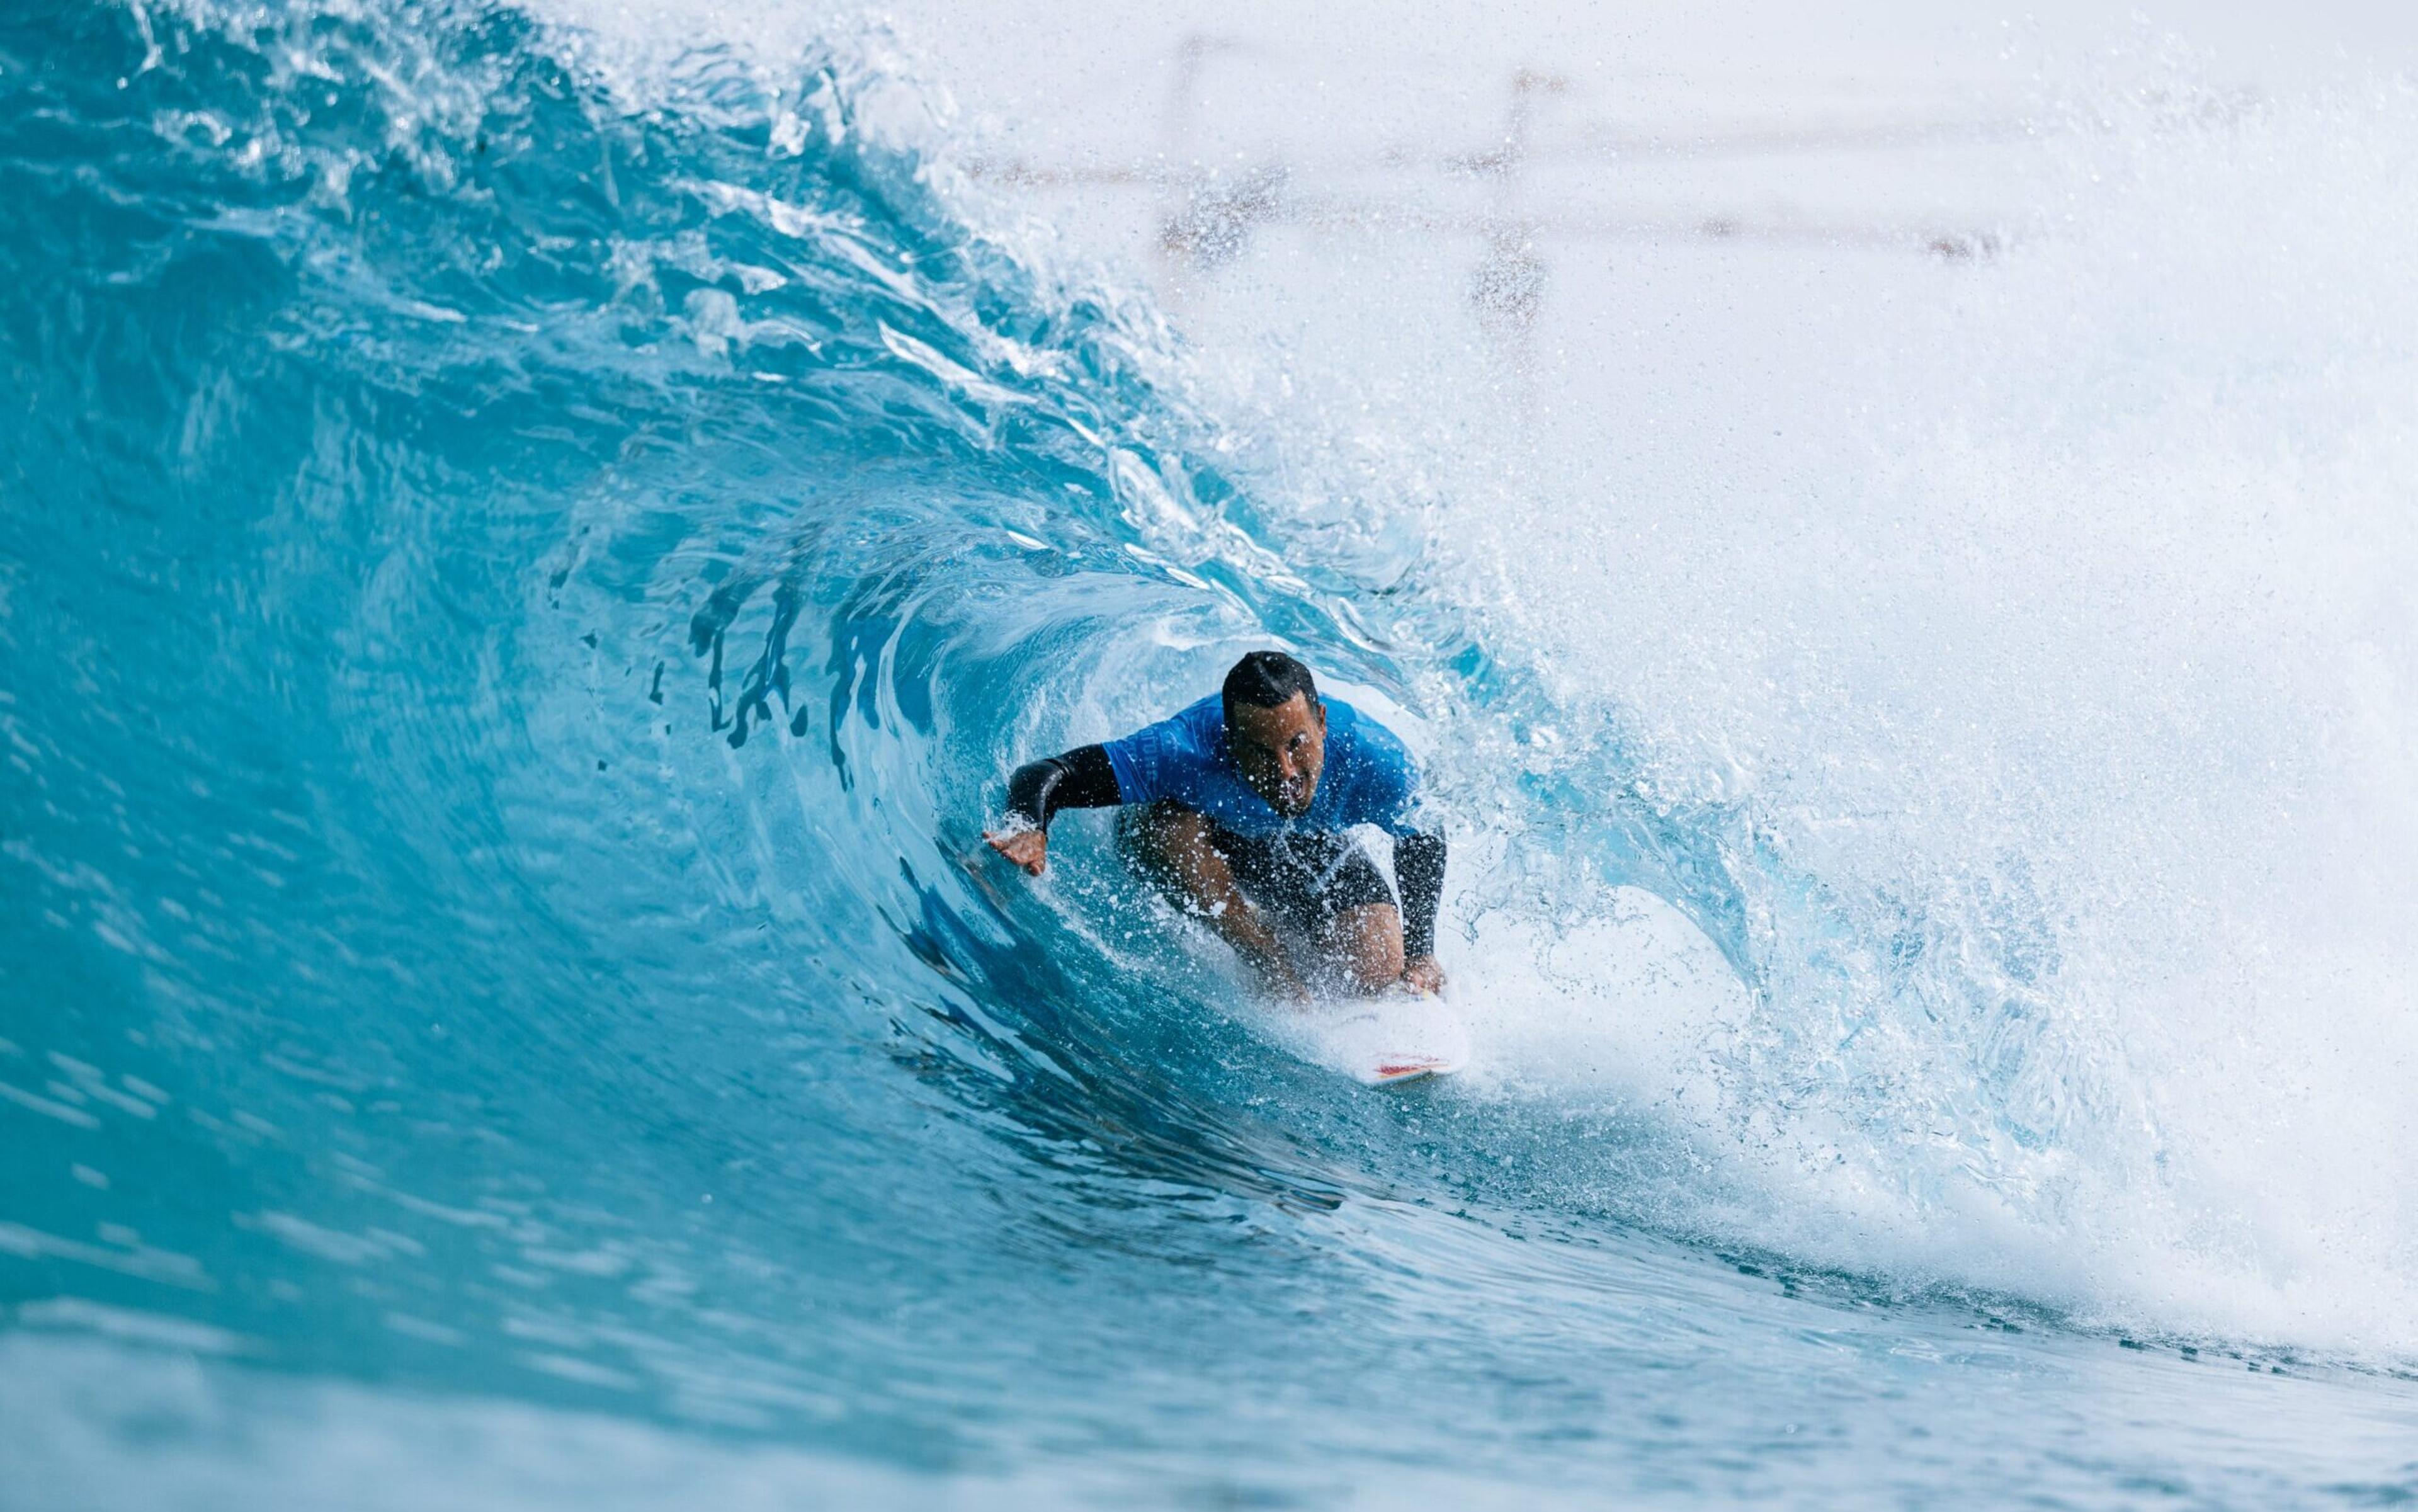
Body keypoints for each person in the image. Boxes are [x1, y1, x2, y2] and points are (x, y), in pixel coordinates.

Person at [985, 651, 1446, 1001]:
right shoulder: (1182, 751)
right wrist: (1029, 826)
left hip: (1289, 837)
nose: (1285, 770)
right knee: (1169, 823)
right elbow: (1048, 774)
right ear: (1231, 739)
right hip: (1189, 835)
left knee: (1377, 965)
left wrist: (1422, 949)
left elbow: (1422, 833)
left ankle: (1300, 938)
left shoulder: (1376, 758)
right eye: (1262, 753)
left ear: (1322, 722)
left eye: (1297, 744)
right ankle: (1268, 960)